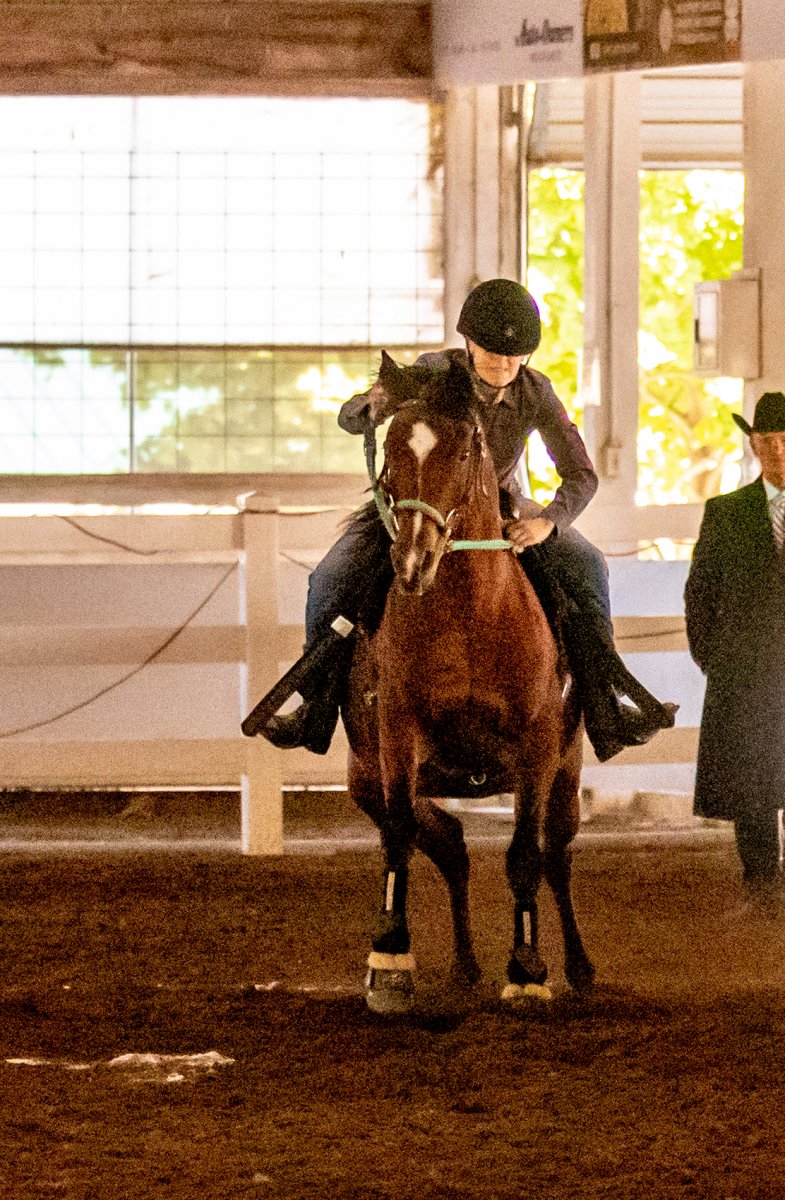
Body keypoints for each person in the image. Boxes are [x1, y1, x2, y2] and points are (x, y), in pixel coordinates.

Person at [263, 278, 675, 761]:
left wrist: (547, 522)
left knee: (588, 564)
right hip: (420, 506)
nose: (504, 366)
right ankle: (313, 710)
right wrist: (373, 403)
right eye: (493, 354)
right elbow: (349, 419)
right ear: (468, 344)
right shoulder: (432, 372)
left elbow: (582, 475)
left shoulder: (537, 392)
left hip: (501, 508)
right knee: (329, 578)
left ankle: (608, 708)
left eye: (515, 356)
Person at [685, 390, 785, 910]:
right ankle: (761, 884)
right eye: (767, 440)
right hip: (747, 673)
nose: (778, 449)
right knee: (754, 782)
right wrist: (718, 663)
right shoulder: (725, 513)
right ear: (753, 445)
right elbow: (699, 594)